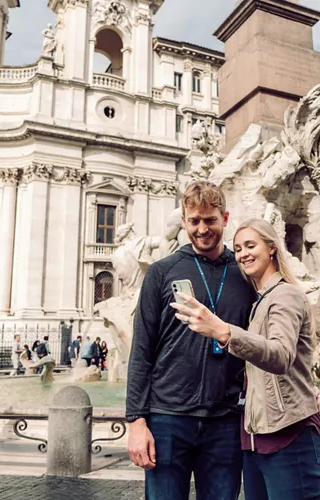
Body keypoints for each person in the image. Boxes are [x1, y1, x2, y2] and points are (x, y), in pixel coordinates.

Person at [171, 217, 320, 499]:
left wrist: (223, 331)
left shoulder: (286, 295)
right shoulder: (260, 301)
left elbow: (280, 355)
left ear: (271, 248)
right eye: (238, 248)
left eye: (250, 245)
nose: (243, 254)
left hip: (290, 435)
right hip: (257, 439)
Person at [126, 181, 256, 500]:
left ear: (225, 218)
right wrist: (136, 421)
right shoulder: (161, 272)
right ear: (184, 221)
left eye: (210, 220)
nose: (202, 229)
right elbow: (141, 350)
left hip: (225, 419)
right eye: (194, 221)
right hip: (168, 418)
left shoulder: (246, 274)